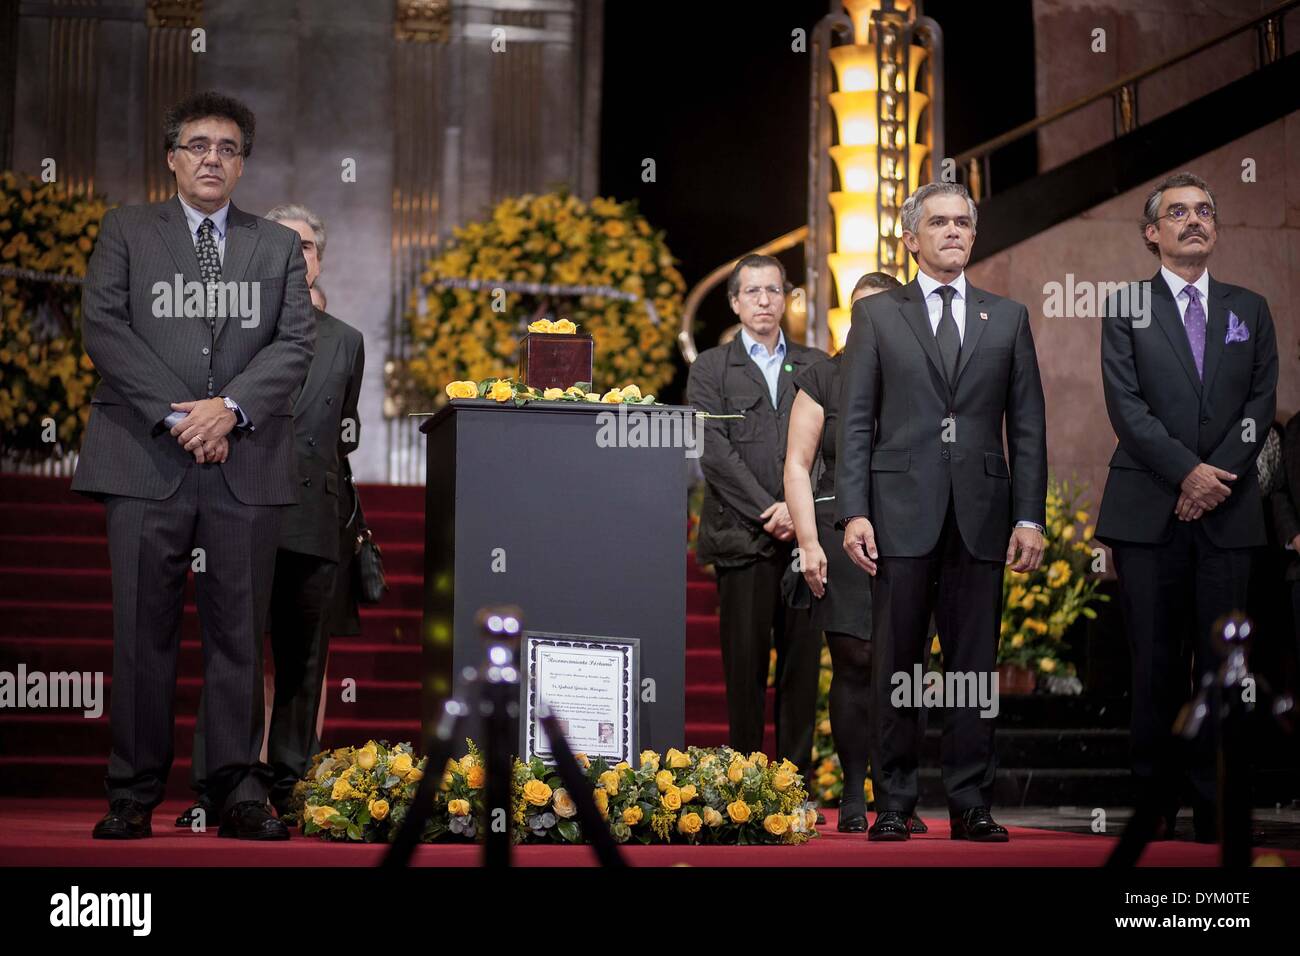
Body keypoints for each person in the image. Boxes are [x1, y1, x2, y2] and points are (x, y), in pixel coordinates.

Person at [72, 91, 314, 840]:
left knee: (239, 634)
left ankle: (238, 790)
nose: (214, 158)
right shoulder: (126, 230)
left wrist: (229, 409)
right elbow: (103, 328)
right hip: (147, 457)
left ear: (243, 164)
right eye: (199, 145)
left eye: (229, 148)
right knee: (142, 632)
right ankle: (134, 792)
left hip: (243, 463)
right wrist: (182, 414)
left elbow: (294, 346)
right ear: (173, 157)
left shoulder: (273, 246)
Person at [837, 182, 1048, 842]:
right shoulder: (877, 318)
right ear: (910, 239)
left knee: (972, 670)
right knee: (897, 666)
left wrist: (1030, 517)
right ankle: (895, 802)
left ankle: (969, 803)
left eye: (963, 222)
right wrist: (854, 512)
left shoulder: (1006, 317)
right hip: (898, 515)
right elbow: (856, 425)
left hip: (983, 517)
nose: (953, 231)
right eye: (939, 222)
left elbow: (1030, 428)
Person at [1097, 172, 1278, 843]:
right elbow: (1129, 409)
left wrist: (1214, 479)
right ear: (1153, 232)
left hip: (1229, 516)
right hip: (1148, 512)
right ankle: (1156, 802)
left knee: (1223, 667)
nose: (1193, 221)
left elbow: (1260, 407)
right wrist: (1187, 473)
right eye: (1178, 213)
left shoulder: (1250, 308)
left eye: (1205, 211)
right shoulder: (1124, 307)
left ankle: (1215, 804)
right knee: (1154, 663)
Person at [178, 203, 365, 825]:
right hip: (243, 507)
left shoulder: (348, 341)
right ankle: (217, 789)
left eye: (306, 245)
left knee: (303, 661)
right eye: (284, 244)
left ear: (319, 257)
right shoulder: (232, 330)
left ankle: (290, 786)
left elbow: (341, 436)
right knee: (234, 652)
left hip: (313, 516)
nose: (295, 254)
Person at [783, 270, 934, 834]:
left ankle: (897, 796)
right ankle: (852, 793)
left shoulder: (923, 372)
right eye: (863, 313)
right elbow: (797, 465)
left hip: (912, 531)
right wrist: (806, 542)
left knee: (906, 668)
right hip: (837, 528)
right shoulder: (824, 375)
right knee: (854, 662)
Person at [687, 253, 828, 784]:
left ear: (787, 297)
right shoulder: (711, 368)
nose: (765, 301)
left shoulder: (815, 364)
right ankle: (742, 783)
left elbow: (828, 446)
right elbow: (713, 449)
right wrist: (769, 511)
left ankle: (795, 783)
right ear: (735, 302)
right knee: (744, 670)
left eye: (774, 290)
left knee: (801, 670)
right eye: (753, 292)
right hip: (741, 539)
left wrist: (798, 511)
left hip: (806, 544)